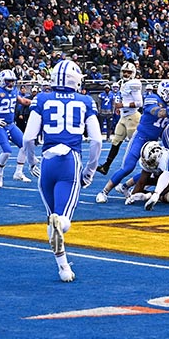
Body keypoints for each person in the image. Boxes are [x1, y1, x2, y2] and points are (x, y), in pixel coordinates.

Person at [22, 59, 102, 282]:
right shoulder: (85, 101)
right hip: (70, 160)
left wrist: (32, 163)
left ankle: (64, 268)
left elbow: (28, 138)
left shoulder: (42, 98)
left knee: (51, 218)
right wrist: (90, 171)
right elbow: (96, 141)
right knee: (63, 219)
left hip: (47, 161)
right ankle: (62, 228)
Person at [95, 79, 169, 203]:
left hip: (153, 143)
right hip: (141, 137)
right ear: (164, 92)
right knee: (128, 167)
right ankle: (104, 192)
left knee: (155, 171)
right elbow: (158, 113)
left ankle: (124, 186)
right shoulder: (153, 98)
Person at [0, 70, 36, 186]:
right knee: (6, 152)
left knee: (25, 146)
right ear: (2, 81)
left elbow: (22, 101)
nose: (11, 84)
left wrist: (36, 102)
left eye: (12, 81)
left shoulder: (14, 91)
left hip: (11, 125)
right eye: (8, 81)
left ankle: (19, 172)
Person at [97, 62, 142, 175]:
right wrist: (121, 108)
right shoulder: (122, 83)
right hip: (124, 117)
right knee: (116, 141)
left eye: (129, 72)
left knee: (137, 145)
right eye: (125, 72)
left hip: (133, 117)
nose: (126, 74)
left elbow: (139, 103)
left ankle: (150, 166)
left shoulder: (134, 84)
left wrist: (123, 105)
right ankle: (106, 166)